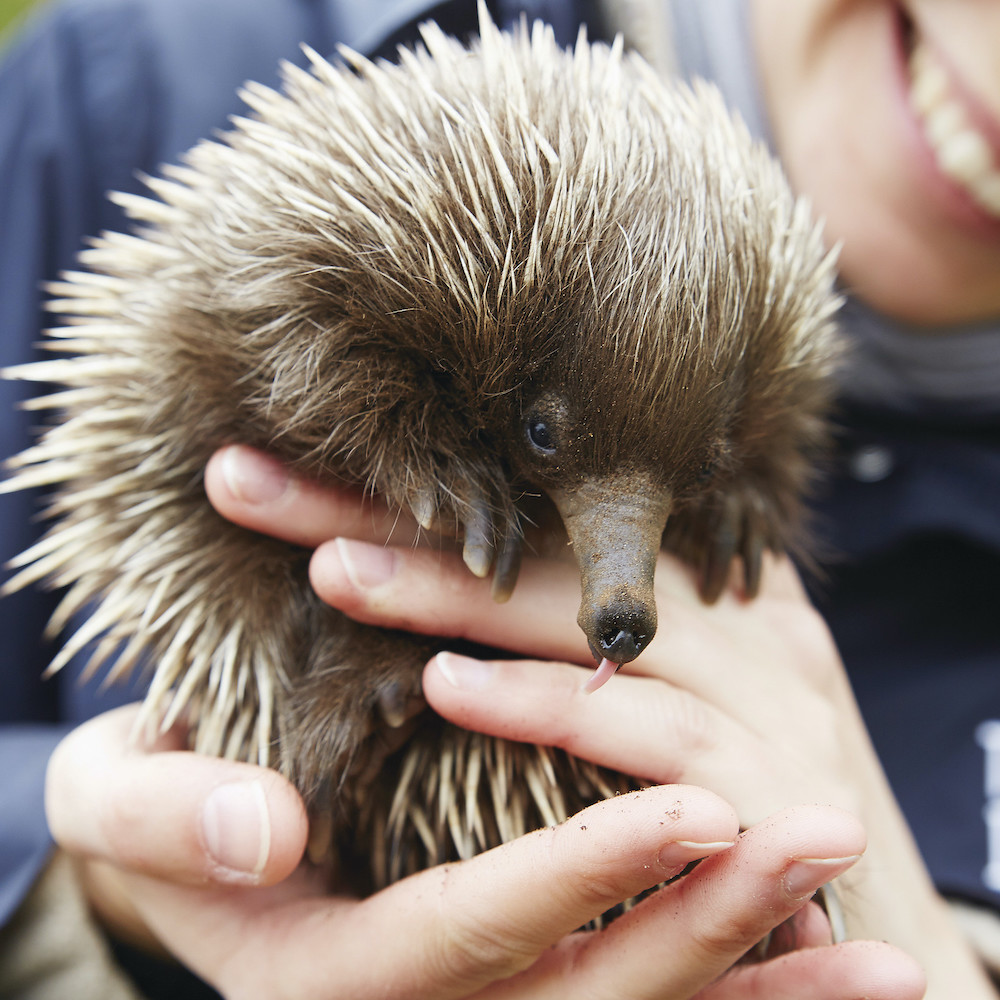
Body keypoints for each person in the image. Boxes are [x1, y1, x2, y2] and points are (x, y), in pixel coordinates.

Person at [1, 0, 997, 996]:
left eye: (693, 467)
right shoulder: (124, 88)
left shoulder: (784, 372)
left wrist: (939, 968)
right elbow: (253, 346)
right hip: (299, 641)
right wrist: (88, 878)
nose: (626, 609)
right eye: (545, 433)